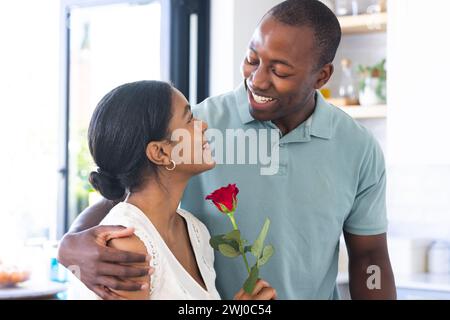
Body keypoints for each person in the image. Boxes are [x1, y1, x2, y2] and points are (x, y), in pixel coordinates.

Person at [58, 0, 396, 299]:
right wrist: (70, 246)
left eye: (279, 71)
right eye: (251, 59)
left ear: (321, 77)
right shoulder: (196, 130)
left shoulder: (358, 148)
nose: (258, 80)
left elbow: (370, 259)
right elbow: (124, 192)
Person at [75, 80, 276, 300]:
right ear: (160, 152)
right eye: (189, 120)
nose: (204, 126)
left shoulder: (195, 231)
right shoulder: (127, 246)